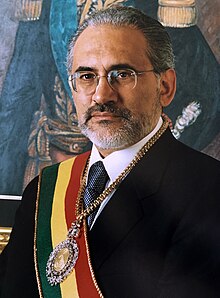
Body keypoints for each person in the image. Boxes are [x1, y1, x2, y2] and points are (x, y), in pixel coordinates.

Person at [0, 6, 220, 298]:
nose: (102, 95)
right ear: (73, 88)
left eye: (122, 74)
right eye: (87, 76)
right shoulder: (44, 190)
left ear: (165, 87)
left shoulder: (208, 189)